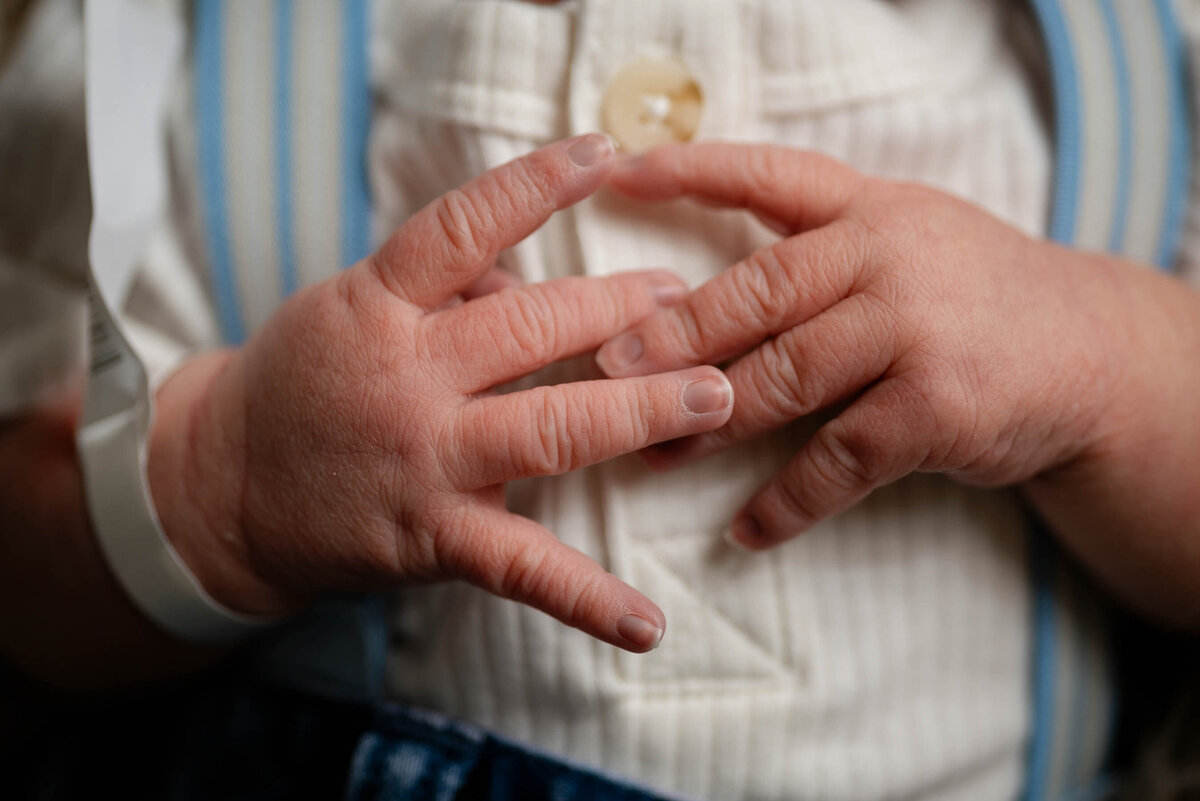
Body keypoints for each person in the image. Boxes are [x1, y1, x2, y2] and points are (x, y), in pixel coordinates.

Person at [3, 0, 1200, 799]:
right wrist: (235, 480)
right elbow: (26, 568)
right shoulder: (197, 44)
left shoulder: (1131, 54)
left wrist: (1097, 353)